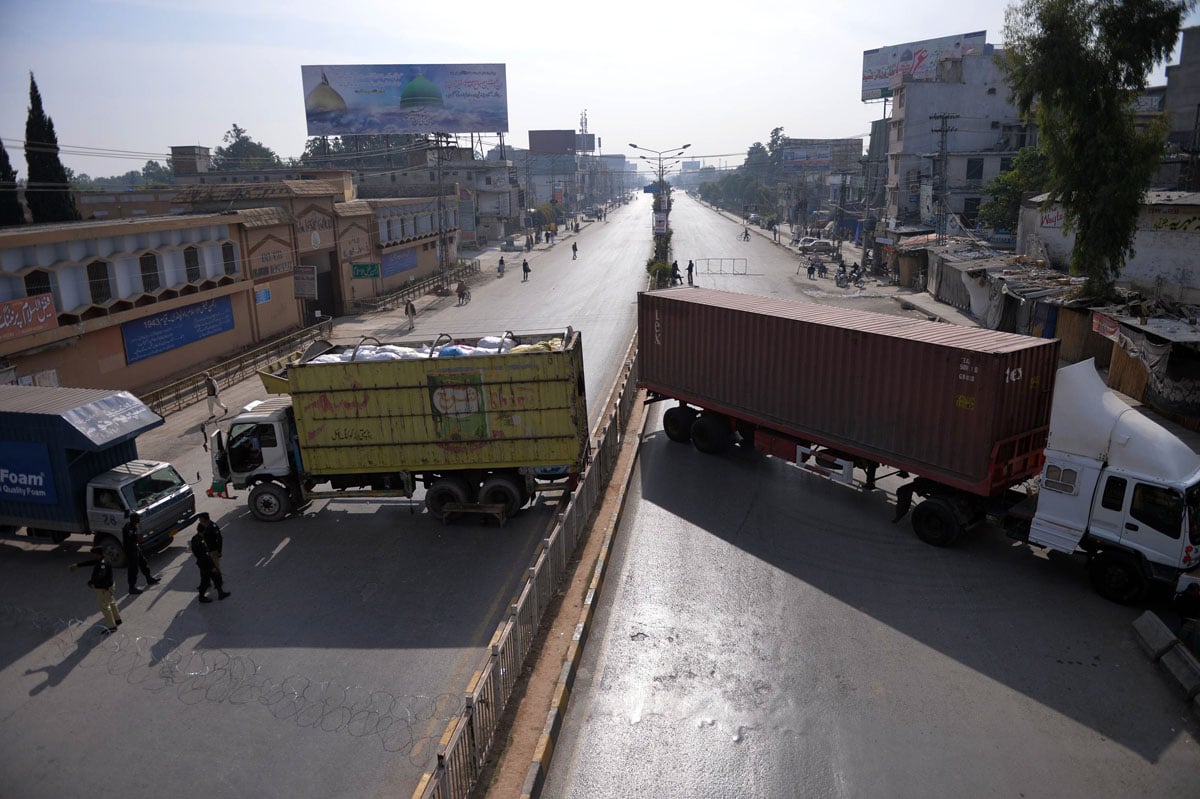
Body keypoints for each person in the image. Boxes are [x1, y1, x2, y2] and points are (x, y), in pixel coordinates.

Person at [70, 546, 122, 633]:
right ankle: (117, 620)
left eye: (93, 554)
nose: (92, 556)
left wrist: (92, 582)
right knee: (112, 603)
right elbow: (91, 562)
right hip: (109, 587)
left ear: (97, 554)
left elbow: (101, 575)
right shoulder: (104, 559)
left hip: (103, 589)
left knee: (105, 607)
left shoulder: (102, 564)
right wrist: (78, 565)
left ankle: (112, 627)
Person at [121, 512, 160, 594]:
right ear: (135, 520)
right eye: (138, 518)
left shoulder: (131, 525)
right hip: (131, 550)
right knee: (133, 569)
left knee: (143, 563)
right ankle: (131, 588)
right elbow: (134, 539)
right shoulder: (130, 528)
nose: (139, 519)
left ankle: (149, 579)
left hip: (135, 548)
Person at [190, 528, 230, 603]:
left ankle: (220, 593)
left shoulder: (195, 539)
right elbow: (205, 556)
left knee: (213, 577)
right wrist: (212, 567)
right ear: (203, 531)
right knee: (207, 580)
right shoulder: (200, 542)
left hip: (202, 563)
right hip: (206, 564)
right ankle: (202, 597)